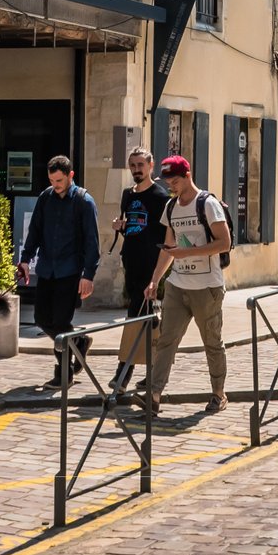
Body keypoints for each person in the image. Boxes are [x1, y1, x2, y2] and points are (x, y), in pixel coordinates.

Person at [142, 155, 231, 415]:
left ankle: (218, 394)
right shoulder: (171, 207)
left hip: (207, 287)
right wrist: (155, 280)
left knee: (212, 342)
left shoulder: (207, 204)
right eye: (168, 182)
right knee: (166, 341)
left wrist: (188, 252)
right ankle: (154, 395)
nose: (171, 186)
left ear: (188, 175)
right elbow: (168, 248)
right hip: (177, 285)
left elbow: (224, 243)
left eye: (175, 181)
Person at [16, 155, 101, 388]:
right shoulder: (46, 198)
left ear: (70, 175)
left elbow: (92, 242)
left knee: (61, 322)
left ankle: (64, 374)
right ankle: (79, 342)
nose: (56, 185)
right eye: (52, 181)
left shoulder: (84, 202)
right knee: (42, 319)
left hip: (70, 271)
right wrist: (25, 260)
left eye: (59, 181)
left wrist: (88, 275)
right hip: (47, 269)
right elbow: (34, 231)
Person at [109, 146, 169, 388]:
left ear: (151, 166)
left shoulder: (160, 197)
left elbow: (165, 236)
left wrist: (158, 275)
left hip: (150, 265)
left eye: (140, 165)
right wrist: (120, 226)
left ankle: (123, 374)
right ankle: (155, 372)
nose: (136, 170)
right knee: (146, 321)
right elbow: (133, 228)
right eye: (133, 165)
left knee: (134, 317)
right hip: (130, 263)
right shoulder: (127, 194)